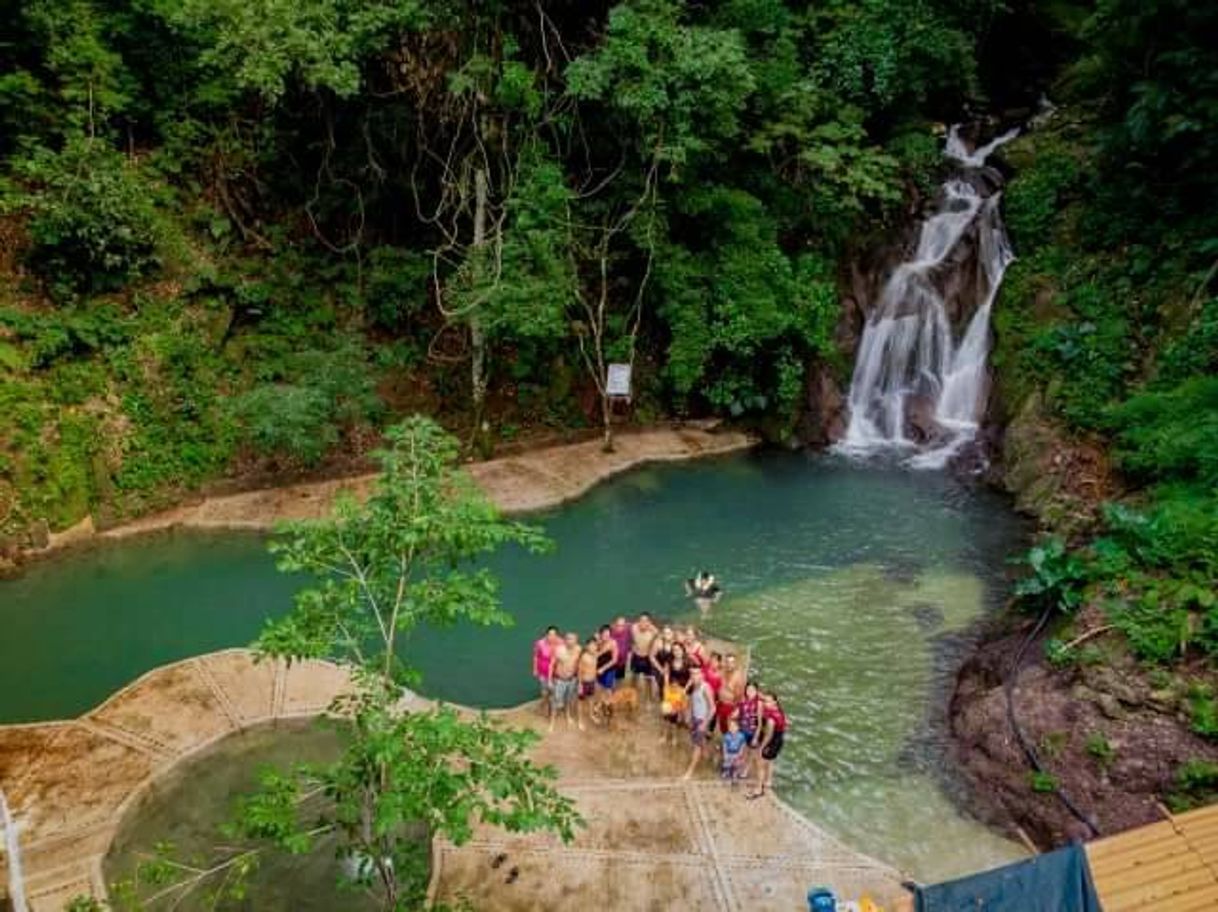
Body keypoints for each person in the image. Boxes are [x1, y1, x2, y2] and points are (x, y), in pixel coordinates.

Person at [749, 690, 787, 800]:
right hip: (779, 740)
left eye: (768, 702)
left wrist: (761, 748)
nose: (765, 703)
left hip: (771, 743)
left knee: (760, 764)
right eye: (765, 701)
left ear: (775, 702)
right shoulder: (779, 710)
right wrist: (759, 694)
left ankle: (758, 789)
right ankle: (768, 782)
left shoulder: (771, 720)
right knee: (770, 761)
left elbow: (768, 737)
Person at [682, 665, 716, 779]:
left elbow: (713, 708)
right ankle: (707, 755)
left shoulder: (705, 688)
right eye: (692, 673)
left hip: (703, 719)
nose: (694, 676)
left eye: (696, 673)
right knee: (700, 741)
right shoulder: (694, 687)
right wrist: (689, 716)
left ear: (702, 675)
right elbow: (692, 703)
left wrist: (704, 723)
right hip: (696, 718)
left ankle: (690, 771)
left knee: (696, 746)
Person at [548, 632, 581, 731]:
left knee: (569, 699)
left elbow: (580, 664)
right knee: (556, 701)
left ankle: (567, 715)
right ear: (565, 640)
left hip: (572, 679)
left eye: (573, 639)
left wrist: (579, 680)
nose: (570, 641)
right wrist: (549, 680)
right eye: (568, 639)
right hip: (560, 680)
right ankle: (552, 722)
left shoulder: (578, 649)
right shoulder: (559, 650)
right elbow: (551, 665)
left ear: (576, 640)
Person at [661, 642, 691, 745]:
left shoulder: (688, 661)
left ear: (683, 650)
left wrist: (685, 690)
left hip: (681, 691)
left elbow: (691, 678)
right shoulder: (669, 660)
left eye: (678, 649)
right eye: (674, 650)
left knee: (675, 715)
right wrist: (665, 686)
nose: (676, 652)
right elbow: (666, 673)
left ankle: (674, 737)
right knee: (666, 713)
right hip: (670, 690)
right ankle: (665, 735)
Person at [532, 626, 561, 714]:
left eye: (554, 634)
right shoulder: (540, 643)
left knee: (554, 689)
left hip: (556, 672)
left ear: (557, 635)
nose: (551, 637)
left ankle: (552, 707)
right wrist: (535, 669)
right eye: (549, 634)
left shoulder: (561, 643)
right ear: (546, 634)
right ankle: (543, 705)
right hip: (543, 670)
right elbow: (536, 656)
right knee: (545, 690)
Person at [630, 613, 659, 701]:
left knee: (648, 680)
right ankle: (632, 696)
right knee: (634, 677)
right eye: (641, 620)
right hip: (636, 657)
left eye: (645, 621)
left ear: (649, 623)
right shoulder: (634, 628)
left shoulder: (653, 632)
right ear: (638, 621)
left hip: (646, 658)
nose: (642, 623)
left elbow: (657, 636)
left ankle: (649, 698)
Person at [737, 681, 762, 781]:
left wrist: (756, 737)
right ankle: (739, 765)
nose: (750, 692)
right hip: (742, 728)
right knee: (742, 749)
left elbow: (759, 722)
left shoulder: (759, 703)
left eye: (752, 690)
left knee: (751, 751)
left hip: (752, 730)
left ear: (756, 691)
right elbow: (739, 714)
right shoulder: (743, 700)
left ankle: (746, 769)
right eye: (748, 689)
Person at [717, 653, 745, 734]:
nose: (729, 664)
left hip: (730, 706)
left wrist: (736, 709)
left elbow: (739, 695)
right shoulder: (724, 671)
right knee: (722, 725)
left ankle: (729, 745)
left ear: (735, 664)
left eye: (732, 662)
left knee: (730, 728)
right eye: (727, 662)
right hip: (721, 703)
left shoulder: (738, 677)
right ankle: (725, 741)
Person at [577, 635, 599, 731]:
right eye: (590, 645)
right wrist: (580, 685)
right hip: (584, 683)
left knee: (591, 700)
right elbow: (579, 672)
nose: (593, 647)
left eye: (594, 645)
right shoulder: (584, 657)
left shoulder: (595, 655)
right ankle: (580, 721)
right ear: (586, 647)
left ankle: (591, 715)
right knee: (580, 703)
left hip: (592, 682)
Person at [720, 716, 748, 784]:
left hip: (737, 752)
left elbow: (743, 744)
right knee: (727, 763)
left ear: (738, 728)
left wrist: (741, 752)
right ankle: (726, 771)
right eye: (730, 727)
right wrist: (725, 753)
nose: (732, 728)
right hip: (729, 752)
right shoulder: (726, 736)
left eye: (734, 727)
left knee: (736, 764)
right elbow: (724, 745)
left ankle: (735, 774)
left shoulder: (741, 736)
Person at [596, 625, 619, 694]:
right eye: (604, 634)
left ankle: (610, 703)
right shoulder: (598, 642)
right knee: (599, 687)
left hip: (609, 670)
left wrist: (603, 669)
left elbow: (614, 660)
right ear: (600, 634)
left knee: (608, 688)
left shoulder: (613, 643)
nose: (606, 636)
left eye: (608, 634)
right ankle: (601, 703)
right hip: (599, 669)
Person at [609, 616, 632, 684]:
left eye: (622, 626)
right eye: (618, 625)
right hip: (612, 662)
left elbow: (632, 624)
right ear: (615, 625)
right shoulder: (611, 633)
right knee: (611, 681)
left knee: (620, 679)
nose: (620, 628)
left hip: (622, 663)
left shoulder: (627, 630)